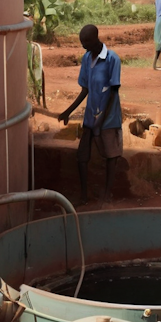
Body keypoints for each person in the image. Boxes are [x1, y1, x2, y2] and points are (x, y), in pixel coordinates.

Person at [58, 25, 122, 205]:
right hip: (90, 116)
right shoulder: (86, 59)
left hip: (108, 117)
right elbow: (85, 89)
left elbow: (112, 93)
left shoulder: (112, 59)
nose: (83, 46)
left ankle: (107, 195)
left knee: (111, 156)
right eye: (82, 42)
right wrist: (68, 111)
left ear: (96, 38)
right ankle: (84, 195)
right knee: (82, 156)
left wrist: (101, 121)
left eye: (86, 42)